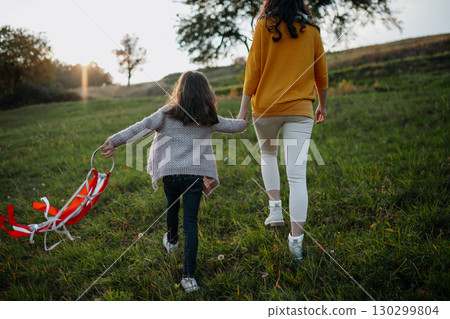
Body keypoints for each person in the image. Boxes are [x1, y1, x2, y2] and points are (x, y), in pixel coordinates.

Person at [100, 71, 248, 292]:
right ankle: (188, 277)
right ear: (206, 93)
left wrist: (114, 141)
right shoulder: (209, 117)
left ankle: (172, 242)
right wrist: (246, 111)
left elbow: (140, 128)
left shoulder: (166, 113)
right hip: (194, 176)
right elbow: (238, 126)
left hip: (170, 174)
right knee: (190, 222)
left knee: (171, 206)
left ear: (180, 90)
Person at [237, 0, 328, 260]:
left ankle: (274, 210)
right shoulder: (312, 30)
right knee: (297, 177)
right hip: (300, 111)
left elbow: (252, 70)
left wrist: (243, 111)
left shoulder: (263, 26)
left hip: (265, 109)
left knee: (268, 156)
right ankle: (296, 243)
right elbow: (321, 74)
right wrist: (322, 105)